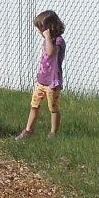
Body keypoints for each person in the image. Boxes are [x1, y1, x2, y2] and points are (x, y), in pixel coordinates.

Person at [15, 10, 66, 138]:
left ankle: (53, 132)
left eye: (41, 28)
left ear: (49, 28)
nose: (39, 32)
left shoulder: (58, 41)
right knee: (34, 105)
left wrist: (48, 37)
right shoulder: (47, 40)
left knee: (53, 108)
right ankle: (28, 130)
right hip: (42, 81)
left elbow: (50, 53)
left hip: (52, 82)